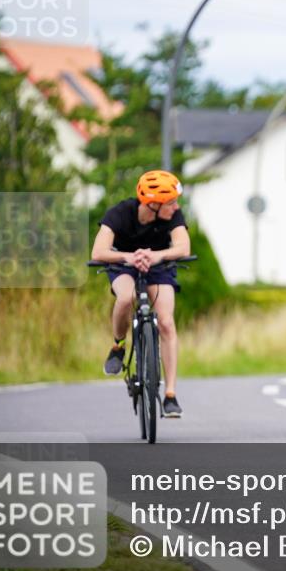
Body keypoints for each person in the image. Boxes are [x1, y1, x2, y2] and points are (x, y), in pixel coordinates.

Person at [90, 170, 190, 418]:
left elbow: (183, 246)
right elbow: (98, 251)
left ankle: (170, 395)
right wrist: (128, 256)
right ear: (153, 204)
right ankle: (118, 345)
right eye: (170, 203)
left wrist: (157, 255)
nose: (176, 207)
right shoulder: (120, 213)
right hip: (123, 265)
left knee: (166, 322)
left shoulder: (172, 215)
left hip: (159, 268)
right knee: (126, 298)